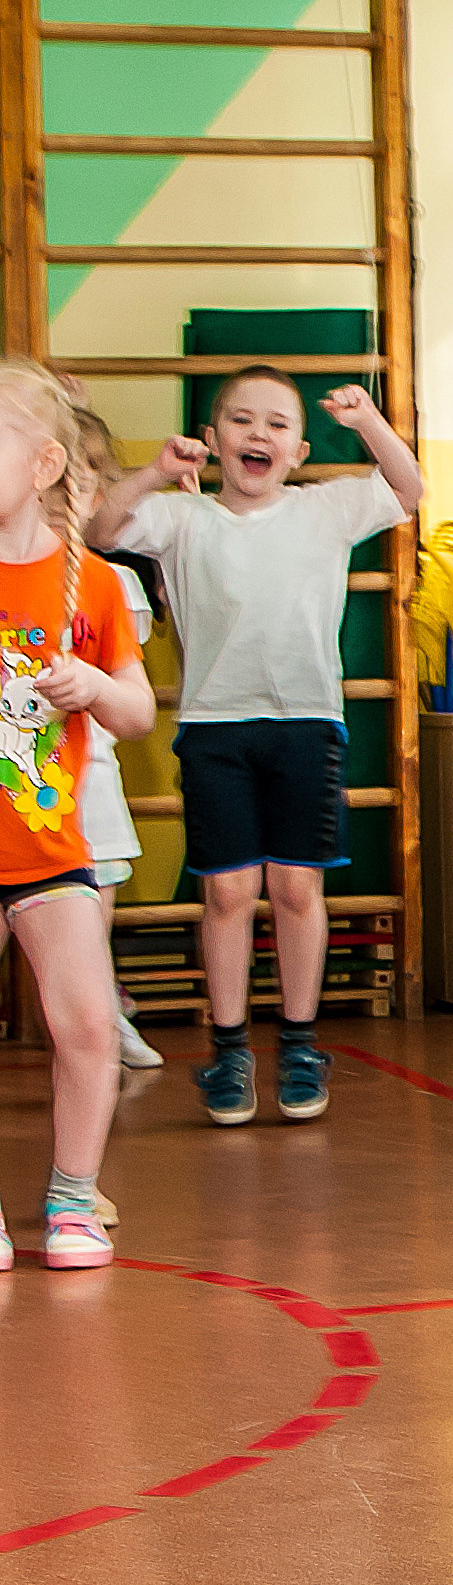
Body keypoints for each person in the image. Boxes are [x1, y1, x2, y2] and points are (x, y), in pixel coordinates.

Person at [88, 369, 423, 1126]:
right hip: (214, 728)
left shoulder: (325, 509)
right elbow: (101, 530)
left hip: (306, 722)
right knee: (228, 893)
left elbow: (406, 487)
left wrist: (368, 419)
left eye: (276, 425)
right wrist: (152, 473)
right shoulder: (181, 517)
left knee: (297, 889)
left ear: (299, 449)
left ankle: (300, 1043)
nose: (257, 435)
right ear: (212, 442)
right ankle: (231, 1047)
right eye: (240, 421)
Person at [0, 362, 157, 1273]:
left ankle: (71, 1197)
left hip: (49, 849)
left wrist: (94, 685)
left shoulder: (89, 584)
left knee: (89, 1024)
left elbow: (136, 711)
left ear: (45, 462)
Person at [67, 404, 164, 1075]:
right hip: (20, 790)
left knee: (86, 925)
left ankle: (103, 1013)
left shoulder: (111, 583)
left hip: (88, 779)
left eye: (84, 481)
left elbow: (131, 700)